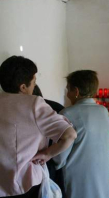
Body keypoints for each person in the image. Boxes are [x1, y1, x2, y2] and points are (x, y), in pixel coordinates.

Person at [0, 56, 76, 198]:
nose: (34, 86)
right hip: (25, 183)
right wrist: (48, 154)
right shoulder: (33, 104)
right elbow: (70, 135)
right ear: (23, 87)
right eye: (34, 82)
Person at [53, 70, 109, 198]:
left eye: (68, 89)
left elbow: (60, 157)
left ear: (76, 91)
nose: (67, 93)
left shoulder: (67, 114)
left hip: (78, 176)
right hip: (101, 173)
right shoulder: (103, 111)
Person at [32, 85, 66, 198]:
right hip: (54, 157)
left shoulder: (29, 109)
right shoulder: (58, 107)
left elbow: (70, 135)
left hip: (39, 159)